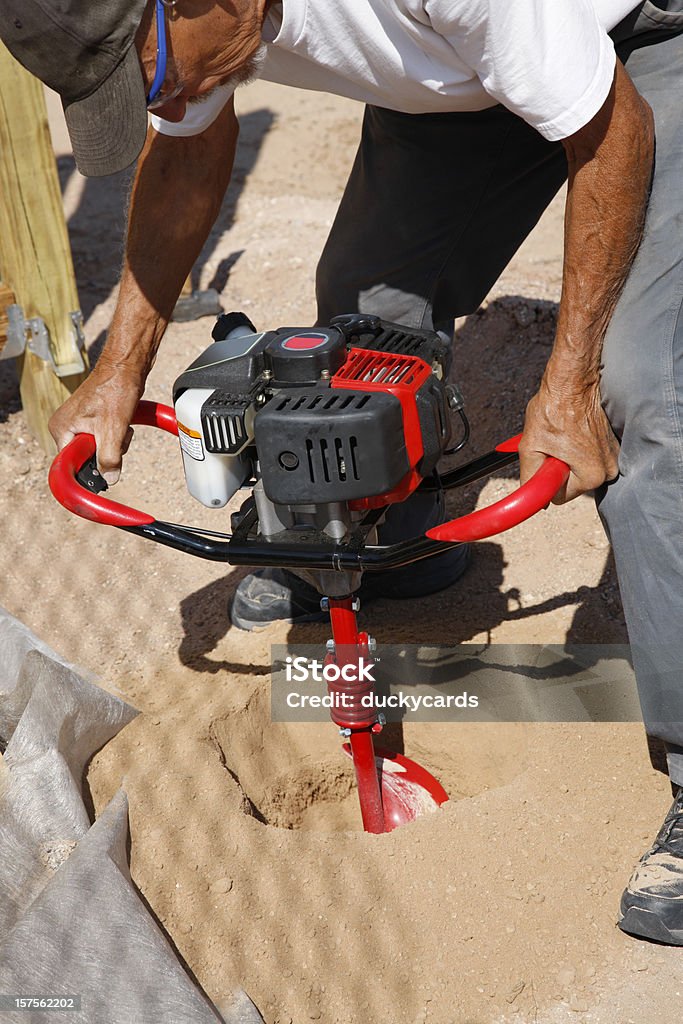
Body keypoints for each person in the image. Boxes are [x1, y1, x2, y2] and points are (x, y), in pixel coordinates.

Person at [2, 0, 683, 944]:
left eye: (152, 75)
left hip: (638, 55)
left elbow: (607, 128)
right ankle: (388, 558)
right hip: (459, 75)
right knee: (363, 327)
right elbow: (191, 151)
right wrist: (119, 372)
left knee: (653, 397)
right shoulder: (183, 31)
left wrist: (569, 381)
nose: (169, 99)